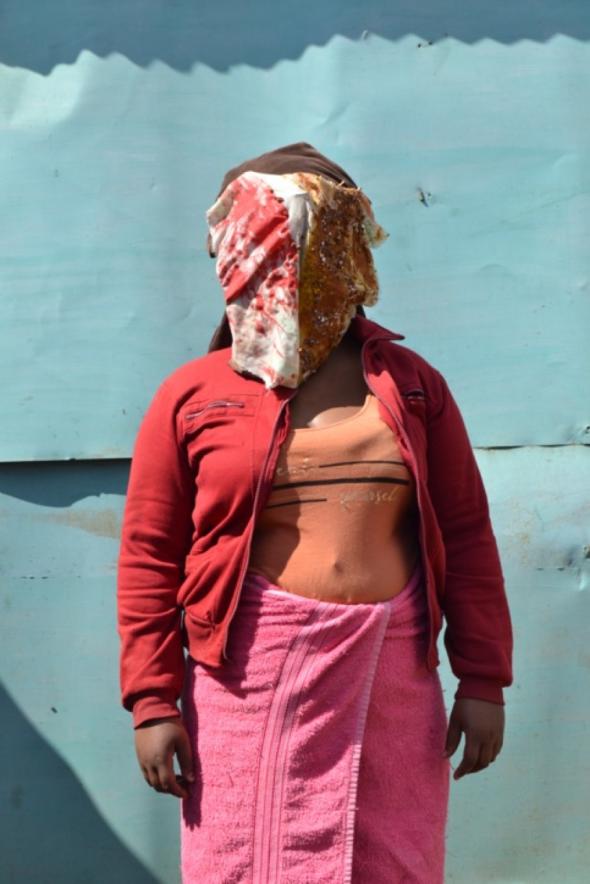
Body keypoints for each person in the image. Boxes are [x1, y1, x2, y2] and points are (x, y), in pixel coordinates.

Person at [117, 143, 513, 883]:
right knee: (245, 859)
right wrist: (152, 701)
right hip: (247, 687)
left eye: (314, 238)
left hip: (391, 683)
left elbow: (465, 536)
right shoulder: (194, 396)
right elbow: (149, 554)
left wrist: (483, 680)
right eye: (269, 240)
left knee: (391, 860)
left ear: (347, 248)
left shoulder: (412, 386)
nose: (290, 262)